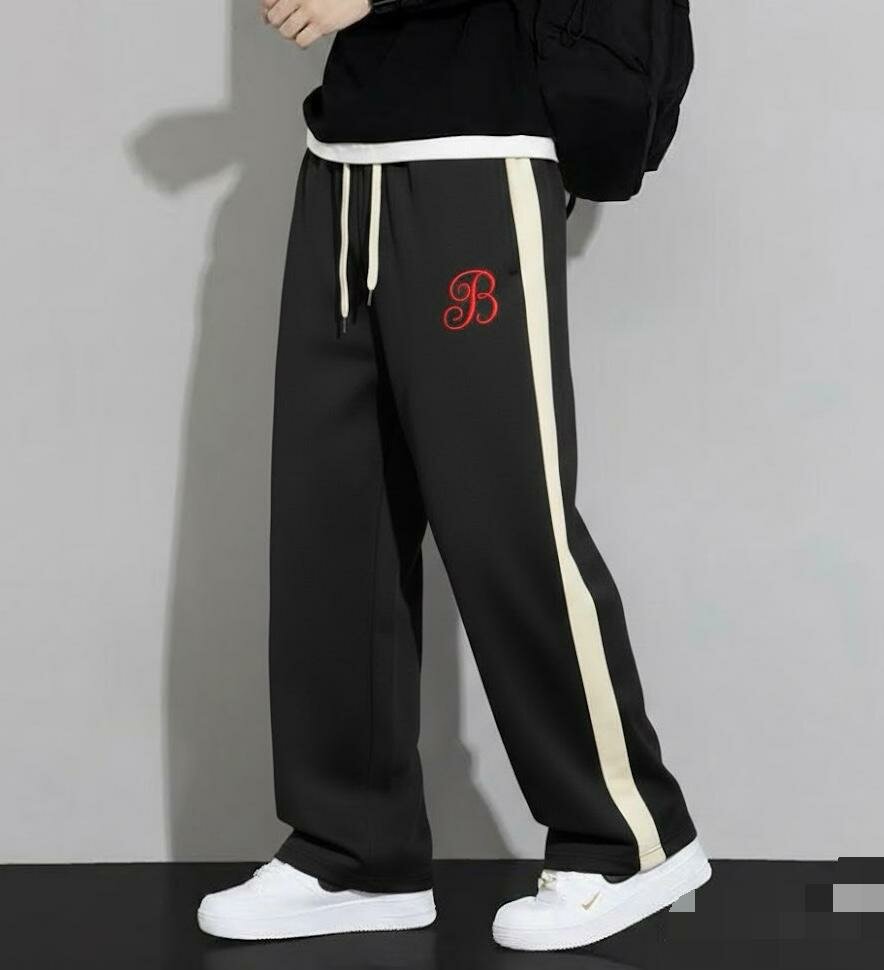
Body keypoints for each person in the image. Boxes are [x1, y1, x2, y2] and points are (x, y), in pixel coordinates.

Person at [197, 0, 710, 951]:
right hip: (344, 156)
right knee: (331, 525)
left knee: (506, 517)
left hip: (479, 151)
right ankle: (354, 850)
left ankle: (629, 840)